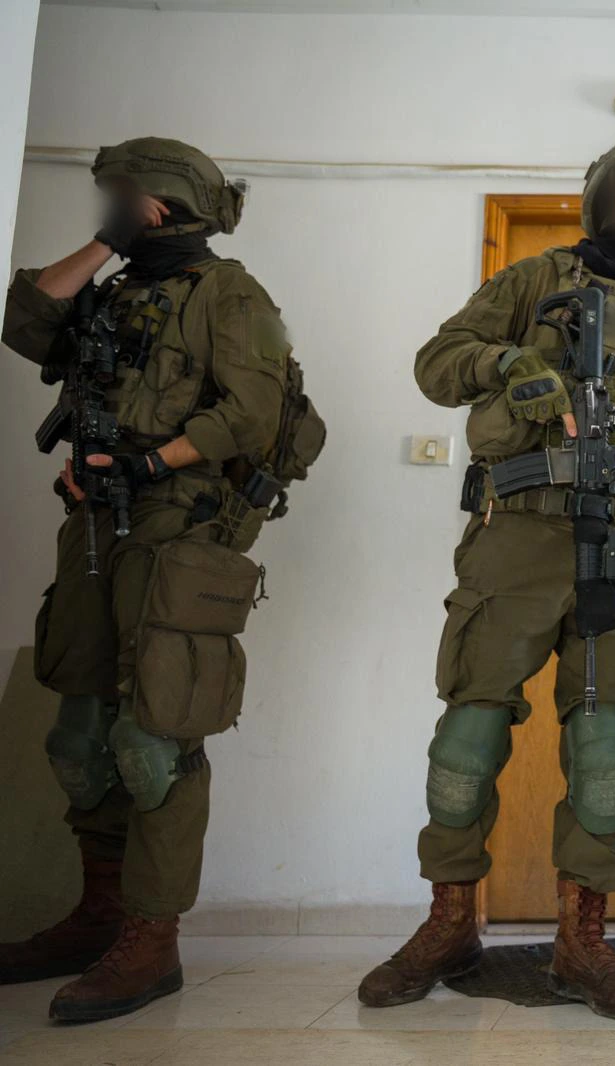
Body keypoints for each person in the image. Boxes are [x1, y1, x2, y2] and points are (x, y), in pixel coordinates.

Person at [357, 130, 615, 1024]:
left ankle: (581, 939)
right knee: (468, 737)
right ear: (599, 197)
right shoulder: (534, 279)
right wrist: (508, 362)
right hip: (518, 541)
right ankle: (450, 922)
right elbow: (437, 362)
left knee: (603, 754)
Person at [1, 137, 310, 1022]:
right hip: (95, 524)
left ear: (165, 201)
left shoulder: (229, 294)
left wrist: (147, 464)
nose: (113, 206)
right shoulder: (110, 290)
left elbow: (251, 414)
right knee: (80, 735)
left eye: (124, 197)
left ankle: (152, 938)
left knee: (154, 741)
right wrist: (106, 242)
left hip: (181, 530)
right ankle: (98, 916)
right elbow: (24, 322)